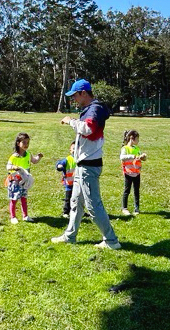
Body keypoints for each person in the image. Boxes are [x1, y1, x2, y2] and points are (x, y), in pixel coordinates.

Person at [51, 79, 122, 249]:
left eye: (74, 95)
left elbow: (88, 129)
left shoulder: (94, 109)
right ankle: (70, 236)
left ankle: (111, 240)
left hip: (89, 166)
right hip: (83, 165)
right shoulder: (90, 110)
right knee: (75, 201)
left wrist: (70, 121)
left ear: (83, 93)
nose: (73, 99)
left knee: (93, 206)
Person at [6, 132, 42, 223]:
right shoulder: (14, 157)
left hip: (25, 181)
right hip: (15, 181)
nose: (26, 145)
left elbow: (34, 161)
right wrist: (13, 167)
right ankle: (13, 217)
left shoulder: (28, 154)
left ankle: (25, 216)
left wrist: (39, 157)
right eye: (24, 143)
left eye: (27, 143)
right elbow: (8, 166)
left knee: (24, 198)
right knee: (14, 199)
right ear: (18, 143)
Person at [119, 129, 147, 215]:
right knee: (127, 190)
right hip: (128, 173)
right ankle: (124, 208)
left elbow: (140, 157)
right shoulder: (125, 148)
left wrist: (143, 157)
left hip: (137, 173)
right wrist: (133, 156)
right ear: (132, 138)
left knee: (136, 191)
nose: (138, 141)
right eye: (137, 139)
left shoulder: (137, 148)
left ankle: (137, 208)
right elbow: (122, 157)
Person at [54, 141, 77, 219]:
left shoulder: (81, 159)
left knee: (78, 198)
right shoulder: (68, 159)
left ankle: (78, 211)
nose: (75, 150)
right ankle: (66, 212)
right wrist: (59, 165)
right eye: (73, 148)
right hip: (69, 183)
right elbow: (59, 163)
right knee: (68, 199)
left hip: (78, 184)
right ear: (70, 150)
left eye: (77, 148)